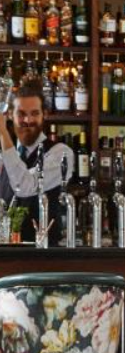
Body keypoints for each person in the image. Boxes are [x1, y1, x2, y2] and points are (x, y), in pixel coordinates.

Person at [0, 81, 74, 245]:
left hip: (44, 254)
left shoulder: (61, 153)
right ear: (10, 115)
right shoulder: (4, 156)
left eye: (34, 113)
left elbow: (24, 186)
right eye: (21, 114)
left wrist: (2, 132)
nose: (28, 120)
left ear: (44, 114)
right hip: (6, 253)